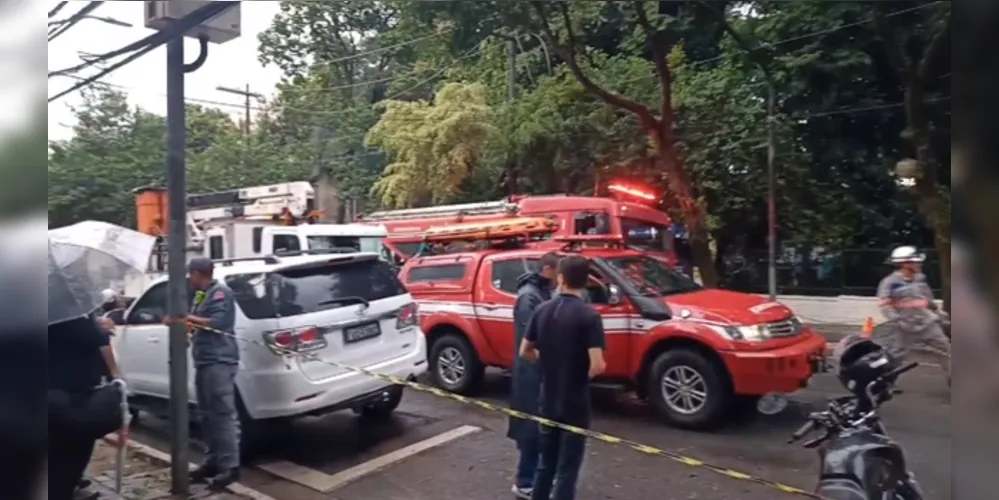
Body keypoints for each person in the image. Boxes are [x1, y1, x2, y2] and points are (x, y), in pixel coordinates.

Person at [519, 255, 607, 500]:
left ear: (561, 278)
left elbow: (524, 351)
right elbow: (598, 365)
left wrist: (547, 360)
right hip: (576, 402)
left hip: (548, 398)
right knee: (568, 468)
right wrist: (581, 372)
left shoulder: (542, 309)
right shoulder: (589, 316)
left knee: (546, 464)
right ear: (586, 281)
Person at [164, 257, 241, 489]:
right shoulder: (203, 294)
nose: (189, 279)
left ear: (198, 273)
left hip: (219, 361)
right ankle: (213, 461)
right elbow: (202, 323)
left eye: (191, 274)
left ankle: (230, 467)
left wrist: (185, 318)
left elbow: (219, 322)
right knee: (207, 415)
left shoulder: (221, 293)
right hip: (205, 361)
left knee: (223, 415)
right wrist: (188, 326)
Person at [48, 314, 124, 500]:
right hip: (72, 394)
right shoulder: (73, 314)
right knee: (70, 458)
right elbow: (93, 339)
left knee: (53, 455)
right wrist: (101, 329)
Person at [507, 252, 560, 499]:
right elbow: (532, 337)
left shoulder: (541, 291)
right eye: (557, 272)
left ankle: (538, 476)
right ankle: (525, 481)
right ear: (548, 269)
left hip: (539, 369)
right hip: (530, 372)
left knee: (541, 426)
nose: (559, 278)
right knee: (531, 427)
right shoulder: (529, 296)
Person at [876, 245, 951, 385]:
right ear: (904, 264)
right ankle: (885, 383)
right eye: (914, 262)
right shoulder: (890, 282)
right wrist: (897, 320)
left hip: (927, 324)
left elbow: (927, 300)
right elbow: (885, 305)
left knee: (945, 349)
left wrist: (939, 313)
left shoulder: (920, 279)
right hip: (904, 326)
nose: (918, 264)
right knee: (896, 356)